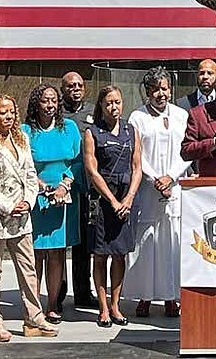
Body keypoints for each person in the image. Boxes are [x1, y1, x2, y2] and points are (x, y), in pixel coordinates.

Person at [0, 94, 58, 342]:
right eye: (2, 112)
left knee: (28, 267)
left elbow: (30, 173)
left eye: (11, 112)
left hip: (21, 214)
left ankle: (34, 317)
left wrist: (29, 201)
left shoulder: (21, 138)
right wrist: (8, 205)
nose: (7, 116)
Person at [125, 67, 191, 318]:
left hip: (175, 188)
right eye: (155, 89)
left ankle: (172, 298)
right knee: (147, 243)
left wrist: (171, 177)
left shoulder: (181, 115)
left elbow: (188, 150)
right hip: (148, 189)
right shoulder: (137, 117)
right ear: (147, 91)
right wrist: (155, 178)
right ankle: (144, 296)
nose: (160, 94)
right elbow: (136, 155)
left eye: (164, 88)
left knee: (171, 243)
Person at [22, 83, 82, 324]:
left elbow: (78, 161)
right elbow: (22, 164)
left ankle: (52, 305)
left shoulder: (70, 127)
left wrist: (63, 186)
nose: (50, 105)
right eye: (45, 100)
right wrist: (41, 186)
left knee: (57, 254)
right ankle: (33, 308)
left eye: (54, 101)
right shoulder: (25, 130)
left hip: (64, 198)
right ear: (36, 103)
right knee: (34, 255)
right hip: (35, 197)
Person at [84, 85, 142, 327]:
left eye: (117, 102)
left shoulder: (131, 130)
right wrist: (113, 200)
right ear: (101, 105)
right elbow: (91, 169)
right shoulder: (92, 132)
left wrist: (128, 199)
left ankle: (116, 306)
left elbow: (137, 166)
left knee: (119, 255)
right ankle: (103, 308)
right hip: (103, 199)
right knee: (100, 255)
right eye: (108, 102)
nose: (113, 106)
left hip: (125, 199)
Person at [60, 71, 97, 309]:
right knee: (60, 243)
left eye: (80, 85)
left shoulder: (93, 111)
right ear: (63, 90)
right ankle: (58, 294)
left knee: (84, 243)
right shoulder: (57, 113)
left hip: (86, 185)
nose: (76, 89)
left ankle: (83, 292)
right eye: (71, 86)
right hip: (62, 186)